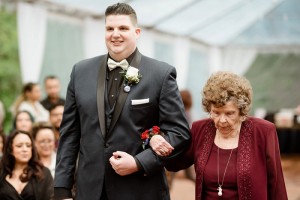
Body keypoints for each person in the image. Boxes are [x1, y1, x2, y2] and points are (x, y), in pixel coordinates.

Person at [54, 3, 190, 200]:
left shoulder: (160, 74)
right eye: (110, 28)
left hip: (141, 190)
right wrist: (62, 188)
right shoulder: (80, 72)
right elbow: (69, 133)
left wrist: (139, 162)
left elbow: (179, 134)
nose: (115, 34)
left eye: (123, 28)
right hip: (89, 190)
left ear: (137, 32)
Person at [151, 71, 288, 199]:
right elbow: (174, 163)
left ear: (242, 111)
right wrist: (156, 137)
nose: (222, 120)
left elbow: (276, 184)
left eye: (229, 113)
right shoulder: (201, 129)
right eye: (216, 113)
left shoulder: (263, 131)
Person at [0, 130, 54, 199]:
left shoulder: (44, 173)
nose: (25, 149)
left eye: (28, 146)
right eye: (19, 146)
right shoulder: (1, 172)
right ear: (10, 150)